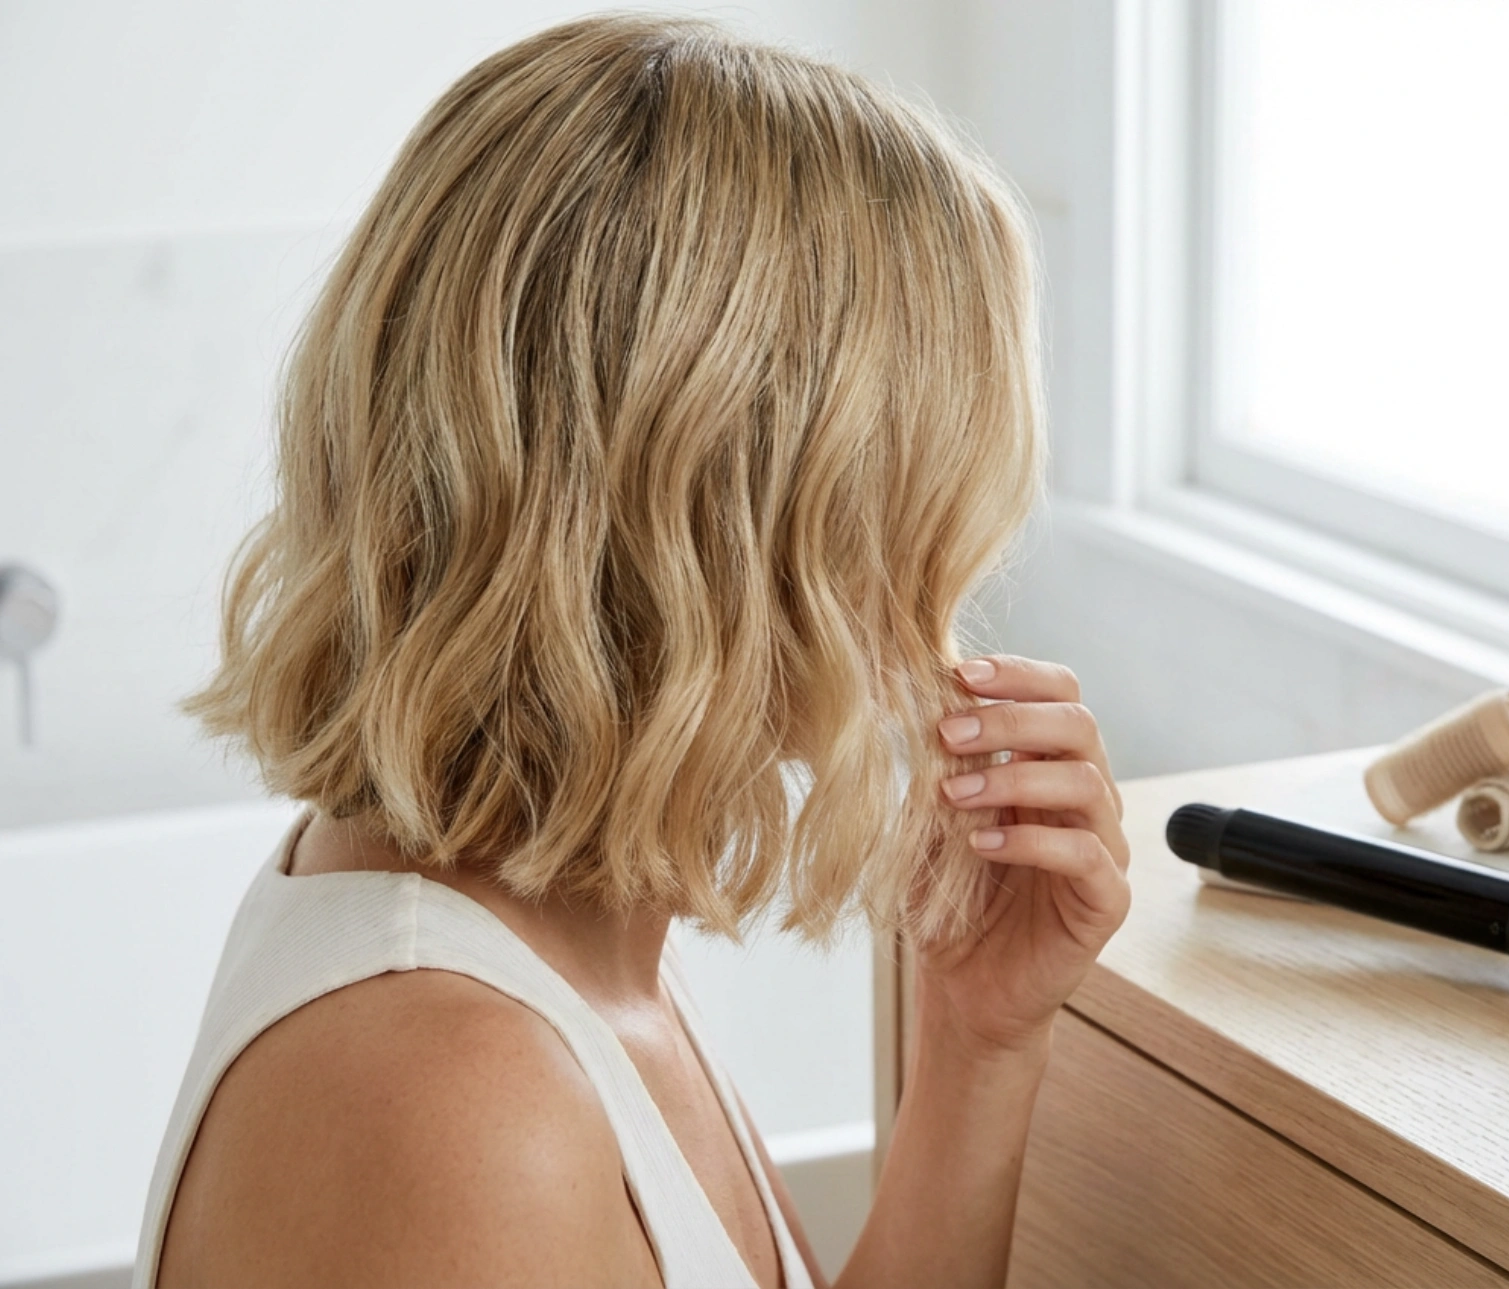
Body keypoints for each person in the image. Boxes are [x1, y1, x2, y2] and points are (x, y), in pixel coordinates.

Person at [135, 14, 1130, 1289]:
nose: (941, 581)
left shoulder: (558, 948)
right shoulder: (454, 1099)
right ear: (751, 529)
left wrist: (980, 1048)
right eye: (921, 500)